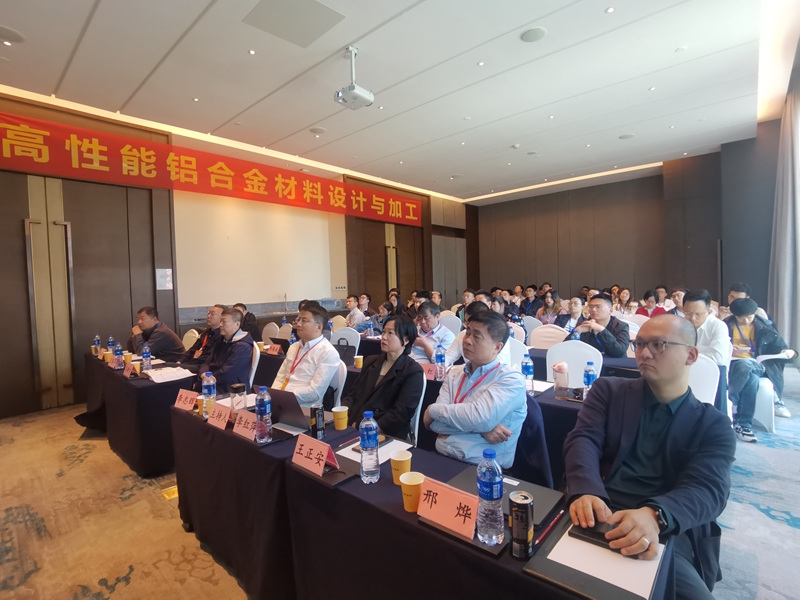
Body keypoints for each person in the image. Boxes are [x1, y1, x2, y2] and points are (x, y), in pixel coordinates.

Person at [564, 315, 735, 600]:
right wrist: (585, 489)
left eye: (658, 345)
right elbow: (583, 440)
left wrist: (656, 516)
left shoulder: (712, 424)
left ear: (691, 355)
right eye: (640, 344)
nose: (644, 353)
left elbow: (709, 488)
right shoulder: (609, 391)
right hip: (597, 508)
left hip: (665, 527)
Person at [423, 310, 527, 468]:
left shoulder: (511, 379)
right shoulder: (455, 373)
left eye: (477, 336)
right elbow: (434, 425)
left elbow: (480, 418)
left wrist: (431, 410)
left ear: (497, 347)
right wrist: (482, 430)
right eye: (467, 333)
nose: (467, 341)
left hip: (484, 469)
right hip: (443, 460)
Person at [724, 298, 797, 441]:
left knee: (746, 365)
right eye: (741, 318)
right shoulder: (725, 326)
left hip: (760, 365)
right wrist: (728, 349)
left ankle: (731, 400)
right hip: (732, 364)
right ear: (734, 316)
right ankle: (743, 425)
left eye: (749, 317)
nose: (746, 321)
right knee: (751, 380)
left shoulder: (765, 327)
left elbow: (781, 348)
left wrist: (789, 352)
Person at [342, 315, 424, 440]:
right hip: (354, 424)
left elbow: (400, 413)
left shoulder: (412, 371)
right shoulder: (371, 361)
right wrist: (344, 415)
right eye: (384, 332)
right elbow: (353, 395)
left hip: (384, 433)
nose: (384, 337)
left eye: (390, 333)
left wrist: (366, 428)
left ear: (406, 340)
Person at [272, 304, 340, 407]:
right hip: (280, 402)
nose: (298, 324)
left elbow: (315, 393)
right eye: (298, 319)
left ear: (319, 327)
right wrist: (274, 395)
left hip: (304, 408)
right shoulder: (294, 347)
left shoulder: (328, 352)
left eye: (304, 320)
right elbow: (280, 377)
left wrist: (285, 397)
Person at [199, 308, 255, 393]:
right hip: (212, 383)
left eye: (224, 322)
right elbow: (207, 362)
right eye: (220, 321)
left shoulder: (243, 346)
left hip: (231, 390)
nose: (220, 324)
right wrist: (203, 374)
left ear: (237, 324)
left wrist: (208, 379)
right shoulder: (221, 340)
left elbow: (227, 374)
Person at [446, 300, 511, 367]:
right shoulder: (464, 334)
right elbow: (448, 357)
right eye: (466, 322)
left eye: (477, 336)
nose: (467, 340)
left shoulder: (497, 336)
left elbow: (498, 365)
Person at [568, 293, 630, 358]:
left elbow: (619, 351)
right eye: (591, 307)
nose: (593, 310)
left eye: (598, 307)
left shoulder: (621, 326)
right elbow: (566, 348)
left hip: (614, 363)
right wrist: (578, 330)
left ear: (611, 310)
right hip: (589, 361)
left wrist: (601, 330)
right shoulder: (583, 324)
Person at [682, 289, 732, 369]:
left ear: (709, 312)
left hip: (711, 372)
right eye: (688, 313)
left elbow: (718, 358)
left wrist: (687, 355)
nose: (693, 318)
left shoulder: (718, 326)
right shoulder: (679, 325)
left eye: (698, 314)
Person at [178, 304, 225, 372]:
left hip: (201, 368)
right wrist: (180, 361)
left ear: (222, 318)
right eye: (208, 313)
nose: (208, 316)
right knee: (169, 366)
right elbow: (192, 350)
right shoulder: (206, 333)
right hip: (191, 363)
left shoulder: (221, 336)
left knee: (168, 365)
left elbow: (208, 358)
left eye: (212, 314)